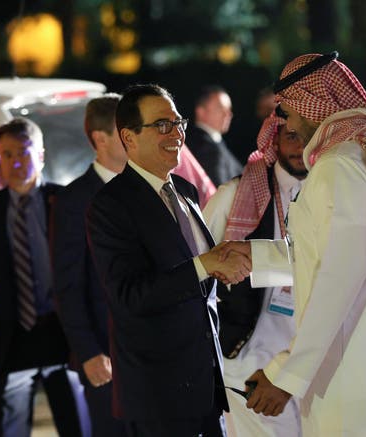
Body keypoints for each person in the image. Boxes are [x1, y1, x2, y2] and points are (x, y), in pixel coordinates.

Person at [222, 52, 366, 436]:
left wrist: (286, 374)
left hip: (355, 378)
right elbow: (343, 253)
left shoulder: (339, 165)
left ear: (314, 106)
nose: (289, 122)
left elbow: (340, 276)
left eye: (291, 112)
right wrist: (255, 256)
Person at [86, 84, 251, 437]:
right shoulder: (111, 205)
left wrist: (222, 269)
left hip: (205, 386)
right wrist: (206, 265)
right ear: (128, 137)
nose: (176, 133)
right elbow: (130, 296)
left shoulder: (186, 192)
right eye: (162, 125)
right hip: (158, 395)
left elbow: (196, 280)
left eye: (178, 123)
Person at [0, 118, 89, 437]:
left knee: (79, 425)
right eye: (6, 155)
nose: (16, 162)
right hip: (13, 338)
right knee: (8, 428)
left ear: (41, 155)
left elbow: (89, 276)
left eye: (23, 152)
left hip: (65, 335)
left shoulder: (67, 202)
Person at [203, 113, 306, 437]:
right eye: (290, 136)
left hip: (309, 365)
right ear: (273, 140)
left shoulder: (332, 196)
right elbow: (199, 270)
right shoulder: (234, 196)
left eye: (307, 136)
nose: (300, 146)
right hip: (245, 367)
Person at [52, 93, 128, 437]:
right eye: (125, 131)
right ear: (100, 139)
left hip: (151, 351)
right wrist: (89, 352)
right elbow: (67, 285)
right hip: (105, 355)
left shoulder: (150, 190)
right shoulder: (74, 201)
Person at [186, 85, 243, 186]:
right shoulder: (207, 148)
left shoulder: (215, 143)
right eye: (221, 108)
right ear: (201, 112)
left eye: (229, 109)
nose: (228, 114)